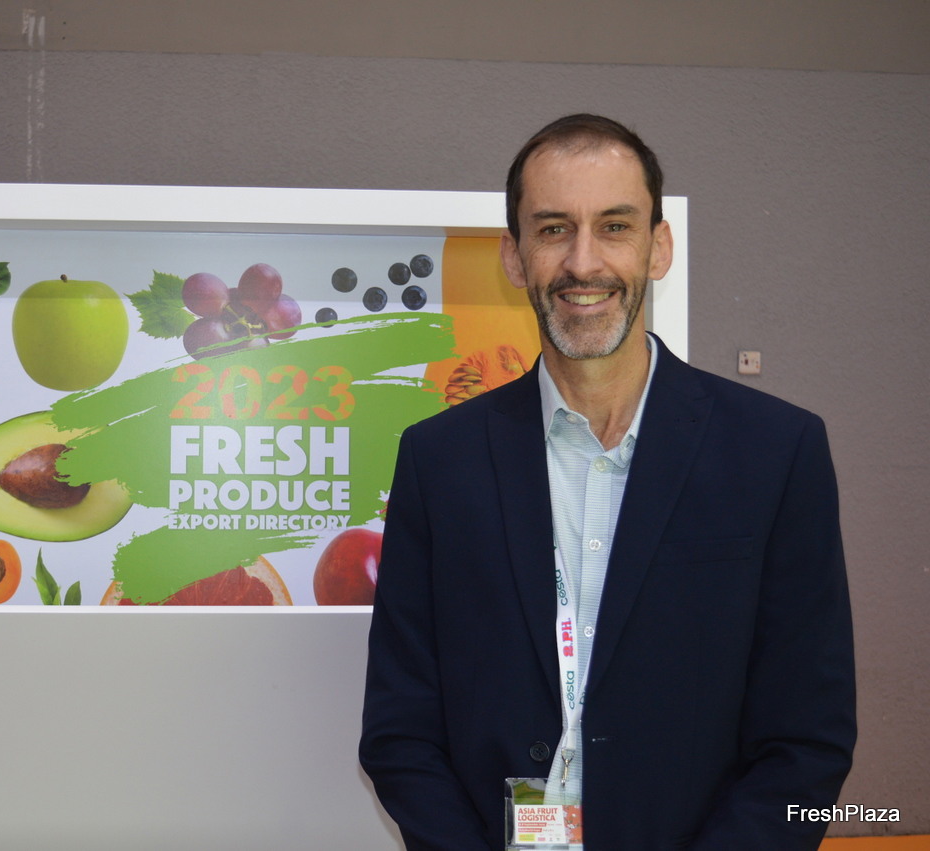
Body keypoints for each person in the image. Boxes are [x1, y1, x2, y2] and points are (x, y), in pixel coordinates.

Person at [359, 115, 855, 849]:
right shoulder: (439, 460)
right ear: (515, 257)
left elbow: (807, 739)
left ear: (659, 247)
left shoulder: (777, 452)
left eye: (615, 227)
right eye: (553, 229)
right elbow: (400, 728)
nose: (582, 262)